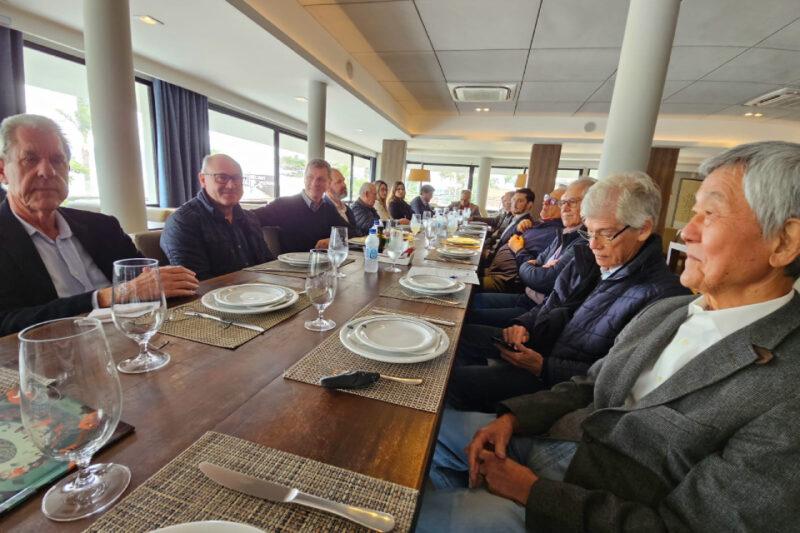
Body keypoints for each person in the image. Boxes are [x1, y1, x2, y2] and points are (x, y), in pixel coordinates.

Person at [418, 141, 800, 532]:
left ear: (784, 242)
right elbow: (591, 382)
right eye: (694, 212)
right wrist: (513, 418)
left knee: (405, 515)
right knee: (426, 431)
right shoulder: (670, 312)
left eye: (711, 213)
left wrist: (532, 493)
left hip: (588, 503)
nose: (687, 231)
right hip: (563, 443)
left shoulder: (788, 389)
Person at [452, 172, 689, 412]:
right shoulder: (595, 261)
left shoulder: (663, 296)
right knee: (454, 340)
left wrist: (543, 366)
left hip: (554, 385)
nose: (594, 244)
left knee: (452, 382)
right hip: (538, 348)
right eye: (589, 232)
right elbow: (554, 304)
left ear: (643, 229)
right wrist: (522, 324)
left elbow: (613, 380)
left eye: (606, 234)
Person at [0, 114, 198, 336]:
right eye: (30, 159)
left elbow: (149, 279)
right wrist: (103, 297)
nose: (47, 171)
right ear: (2, 171)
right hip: (54, 355)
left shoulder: (103, 226)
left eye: (57, 160)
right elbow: (6, 321)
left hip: (141, 338)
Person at [468, 179, 595, 326]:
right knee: (472, 301)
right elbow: (538, 265)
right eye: (561, 202)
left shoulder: (581, 243)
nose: (546, 203)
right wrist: (536, 267)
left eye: (570, 201)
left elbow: (542, 280)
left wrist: (522, 254)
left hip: (532, 304)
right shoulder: (562, 234)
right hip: (526, 295)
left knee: (468, 314)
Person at [160, 154, 273, 281]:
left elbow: (268, 264)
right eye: (222, 178)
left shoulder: (250, 218)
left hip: (260, 293)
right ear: (203, 180)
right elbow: (197, 283)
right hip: (214, 298)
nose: (231, 185)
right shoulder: (183, 223)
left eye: (236, 178)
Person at [480, 188, 561, 292]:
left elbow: (535, 268)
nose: (545, 202)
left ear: (529, 205)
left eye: (552, 201)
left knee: (463, 282)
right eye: (546, 198)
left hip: (506, 280)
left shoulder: (555, 233)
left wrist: (518, 249)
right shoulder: (535, 224)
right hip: (495, 270)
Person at [253, 159, 341, 253]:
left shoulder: (329, 209)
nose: (314, 183)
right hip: (292, 266)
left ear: (329, 183)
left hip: (324, 264)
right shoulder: (284, 205)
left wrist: (333, 240)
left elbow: (349, 232)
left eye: (320, 179)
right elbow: (251, 218)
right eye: (310, 177)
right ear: (304, 179)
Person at [324, 168, 362, 236]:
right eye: (338, 182)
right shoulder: (323, 208)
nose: (344, 185)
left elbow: (355, 231)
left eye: (343, 181)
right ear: (327, 186)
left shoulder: (347, 208)